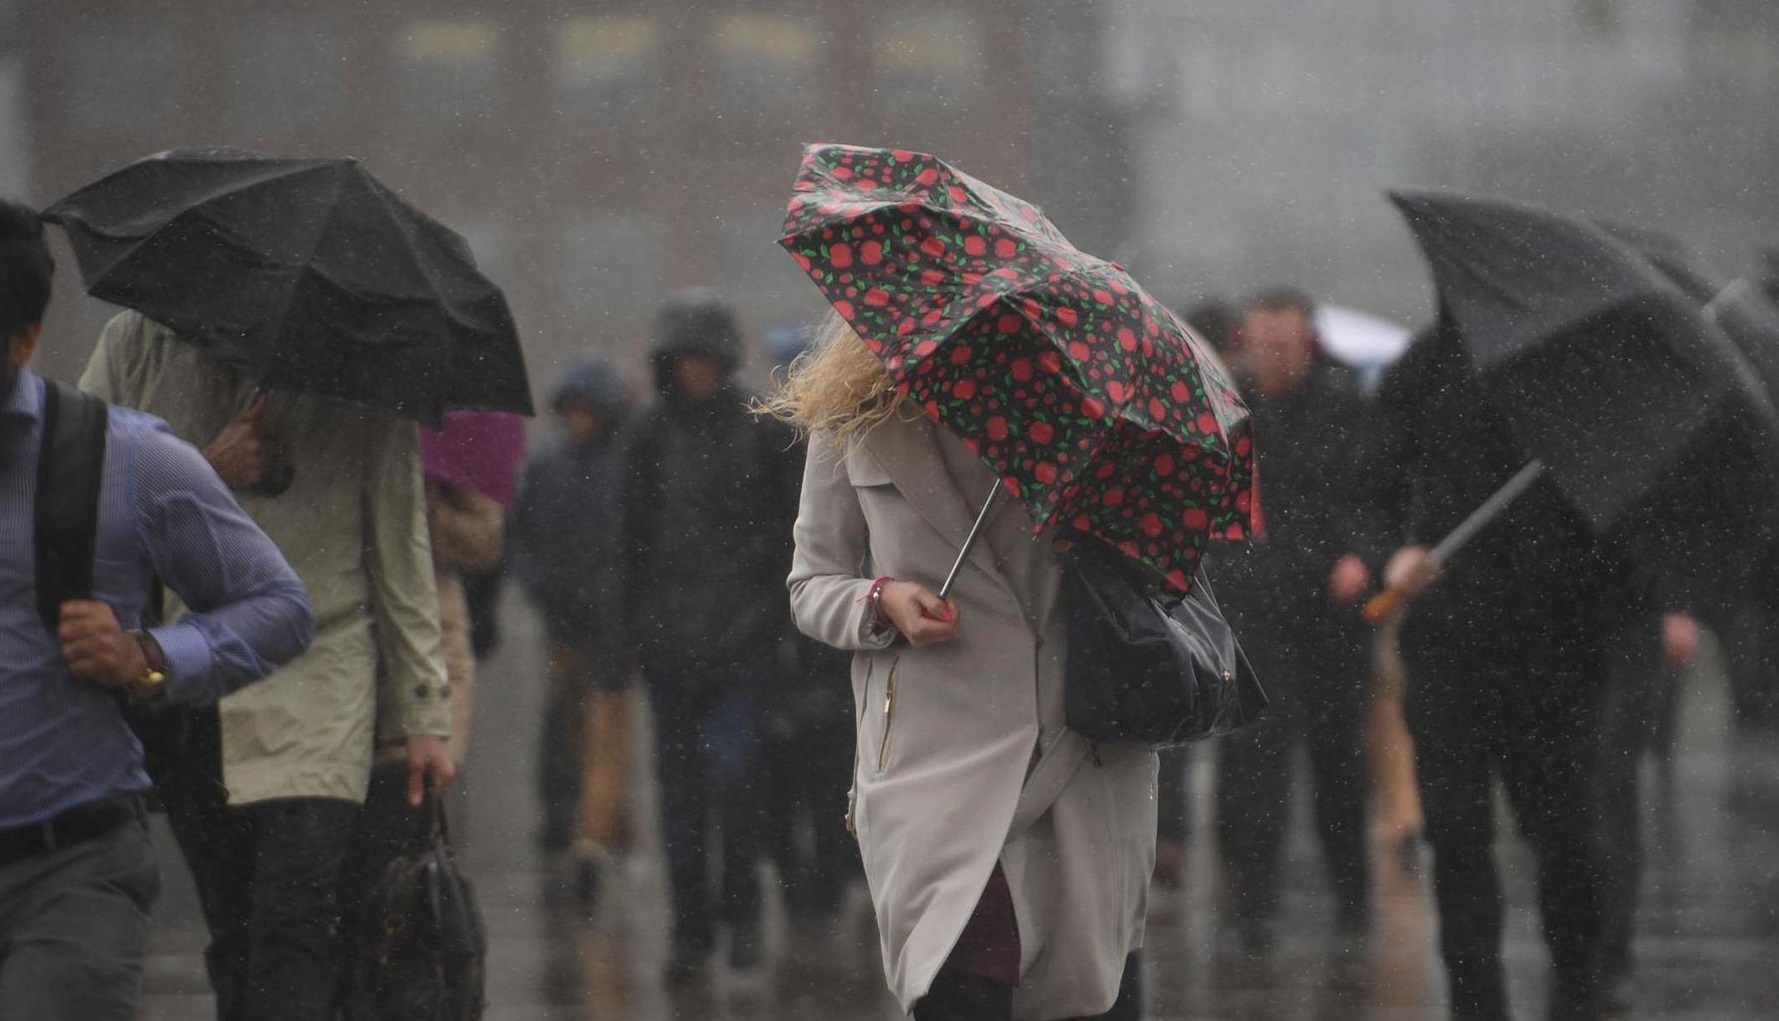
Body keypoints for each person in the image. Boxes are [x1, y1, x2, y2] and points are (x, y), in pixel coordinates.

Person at [772, 313, 1155, 1021]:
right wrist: (882, 600)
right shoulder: (851, 413)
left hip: (1070, 745)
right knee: (958, 983)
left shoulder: (1079, 405)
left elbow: (1150, 573)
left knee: (1083, 992)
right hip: (930, 760)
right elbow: (810, 584)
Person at [80, 311, 455, 1021]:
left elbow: (399, 544)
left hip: (321, 677)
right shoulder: (137, 343)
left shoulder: (364, 361)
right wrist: (203, 470)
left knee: (298, 915)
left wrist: (423, 712)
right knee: (235, 928)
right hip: (190, 677)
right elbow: (81, 492)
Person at [0, 198, 314, 1021]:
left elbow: (279, 607)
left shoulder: (124, 458)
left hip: (70, 871)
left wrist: (145, 654)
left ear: (24, 339)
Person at [1354, 317, 1700, 1021]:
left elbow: (1633, 519)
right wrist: (1392, 555)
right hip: (1450, 642)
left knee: (1566, 836)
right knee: (1456, 835)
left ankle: (1577, 985)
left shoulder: (1589, 375)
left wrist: (1633, 596)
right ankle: (1475, 1002)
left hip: (1559, 654)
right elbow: (1370, 484)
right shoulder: (1430, 361)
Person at [622, 291, 801, 981]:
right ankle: (689, 930)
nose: (693, 369)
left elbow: (790, 540)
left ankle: (743, 912)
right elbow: (629, 543)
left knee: (735, 782)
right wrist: (627, 640)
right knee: (680, 800)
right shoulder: (647, 436)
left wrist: (771, 623)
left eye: (704, 356)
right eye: (683, 357)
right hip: (669, 649)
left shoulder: (762, 430)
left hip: (744, 647)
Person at [1209, 287, 1375, 945]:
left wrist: (1362, 554)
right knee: (1254, 760)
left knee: (1339, 762)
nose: (1274, 358)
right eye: (1262, 345)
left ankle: (1351, 896)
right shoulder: (1230, 407)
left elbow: (1375, 492)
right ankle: (1253, 902)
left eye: (1285, 345)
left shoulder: (1346, 406)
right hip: (1256, 604)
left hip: (1332, 604)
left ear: (1306, 342)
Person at [507, 354, 634, 897]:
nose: (580, 421)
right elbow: (520, 536)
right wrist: (541, 587)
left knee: (605, 726)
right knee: (565, 719)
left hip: (613, 624)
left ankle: (597, 829)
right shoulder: (547, 465)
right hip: (563, 621)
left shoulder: (625, 463)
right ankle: (569, 819)